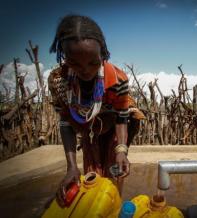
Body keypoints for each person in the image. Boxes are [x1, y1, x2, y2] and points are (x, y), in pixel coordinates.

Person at [48, 14, 144, 207]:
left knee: (116, 168)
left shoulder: (117, 79)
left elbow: (122, 116)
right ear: (64, 56)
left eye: (93, 62)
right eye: (75, 63)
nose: (85, 70)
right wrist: (71, 167)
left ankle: (113, 204)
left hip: (117, 126)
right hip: (88, 128)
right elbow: (66, 123)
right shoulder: (59, 81)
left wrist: (121, 150)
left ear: (103, 54)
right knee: (91, 174)